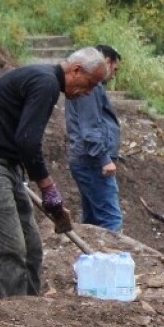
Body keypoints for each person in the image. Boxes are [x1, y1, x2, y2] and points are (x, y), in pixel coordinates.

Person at [0, 47, 107, 298]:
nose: (88, 93)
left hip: (7, 164)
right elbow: (27, 141)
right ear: (76, 71)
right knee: (10, 248)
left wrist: (50, 196)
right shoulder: (45, 83)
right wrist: (49, 191)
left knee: (32, 247)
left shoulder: (45, 81)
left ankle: (31, 311)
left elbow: (23, 142)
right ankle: (12, 316)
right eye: (90, 85)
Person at [66, 44, 124, 233]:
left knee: (93, 223)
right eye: (115, 69)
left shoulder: (90, 86)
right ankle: (113, 261)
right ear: (107, 62)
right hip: (92, 161)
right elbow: (90, 129)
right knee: (110, 220)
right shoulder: (89, 86)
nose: (114, 75)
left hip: (88, 159)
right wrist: (104, 158)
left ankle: (93, 260)